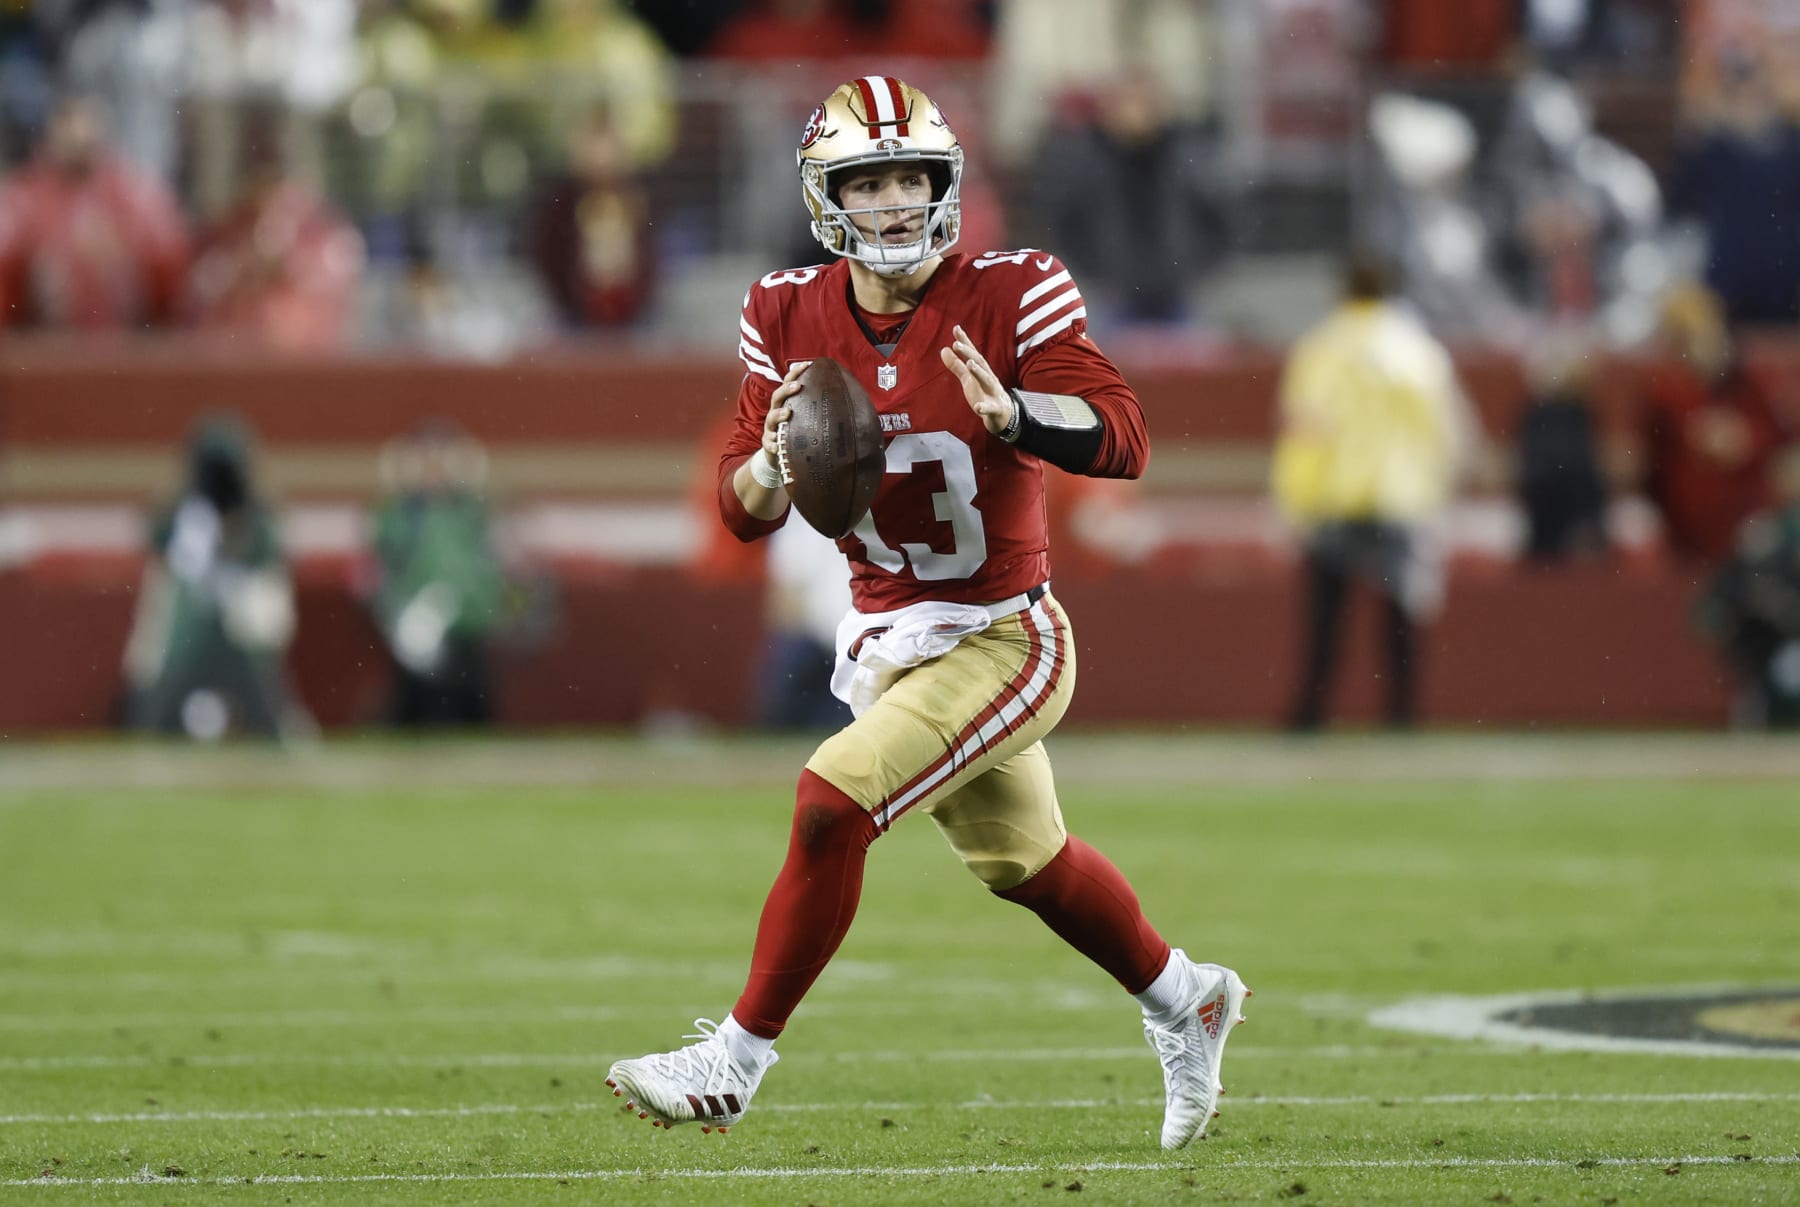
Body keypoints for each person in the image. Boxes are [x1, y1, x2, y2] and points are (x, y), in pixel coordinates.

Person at [606, 75, 1249, 1152]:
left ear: (945, 184)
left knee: (831, 799)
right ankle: (1188, 997)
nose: (895, 201)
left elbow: (1125, 434)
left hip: (1006, 634)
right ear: (827, 197)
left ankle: (734, 1060)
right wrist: (773, 461)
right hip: (890, 642)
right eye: (868, 182)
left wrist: (1021, 412)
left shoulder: (1015, 289)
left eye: (911, 177)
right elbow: (740, 507)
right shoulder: (784, 311)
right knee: (1028, 864)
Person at [1272, 252, 1474, 732]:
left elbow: (1304, 429)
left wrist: (1293, 498)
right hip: (1401, 500)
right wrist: (1440, 491)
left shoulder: (1321, 348)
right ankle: (1403, 715)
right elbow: (1447, 432)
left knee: (1325, 622)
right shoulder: (1418, 351)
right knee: (1401, 620)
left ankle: (1310, 715)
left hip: (1335, 497)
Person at [120, 415, 309, 741]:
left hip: (239, 624)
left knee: (265, 702)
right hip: (189, 626)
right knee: (156, 705)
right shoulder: (184, 511)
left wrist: (234, 533)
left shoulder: (256, 515)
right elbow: (155, 537)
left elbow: (269, 552)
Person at [0, 92, 188, 330]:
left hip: (125, 345)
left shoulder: (140, 198)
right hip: (44, 344)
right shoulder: (22, 199)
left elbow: (172, 289)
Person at [364, 419, 508, 727]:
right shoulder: (400, 513)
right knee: (418, 701)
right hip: (415, 620)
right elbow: (381, 566)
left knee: (472, 701)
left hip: (467, 622)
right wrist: (396, 610)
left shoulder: (472, 511)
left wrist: (480, 605)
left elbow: (488, 566)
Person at [1638, 282, 1791, 566]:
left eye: (1711, 332)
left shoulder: (1750, 384)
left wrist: (1748, 438)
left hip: (1752, 517)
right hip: (1689, 527)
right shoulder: (1665, 393)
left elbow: (1782, 444)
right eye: (1691, 338)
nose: (1706, 345)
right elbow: (1647, 466)